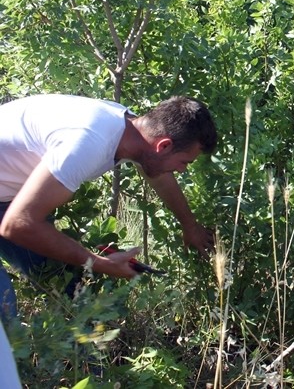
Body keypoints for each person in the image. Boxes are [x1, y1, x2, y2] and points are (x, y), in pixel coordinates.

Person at [0, 94, 218, 319]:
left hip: (9, 200)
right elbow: (18, 223)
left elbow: (160, 176)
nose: (182, 171)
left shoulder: (131, 132)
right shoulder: (89, 143)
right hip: (13, 211)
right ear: (163, 146)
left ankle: (81, 354)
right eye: (184, 163)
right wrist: (100, 263)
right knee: (3, 311)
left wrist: (190, 225)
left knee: (71, 290)